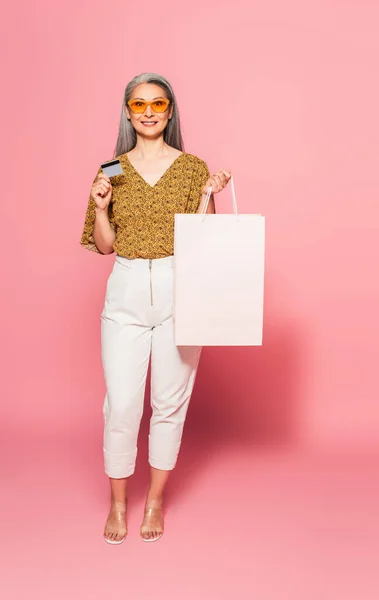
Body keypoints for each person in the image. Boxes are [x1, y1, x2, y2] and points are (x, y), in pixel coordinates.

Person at [80, 72, 231, 544]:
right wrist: (101, 208)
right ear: (127, 111)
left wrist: (212, 195)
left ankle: (156, 500)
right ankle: (118, 505)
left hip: (177, 286)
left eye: (157, 104)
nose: (148, 112)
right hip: (125, 288)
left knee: (169, 403)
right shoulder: (112, 170)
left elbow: (203, 240)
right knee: (122, 405)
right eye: (139, 104)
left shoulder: (191, 168)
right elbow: (104, 246)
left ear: (170, 111)